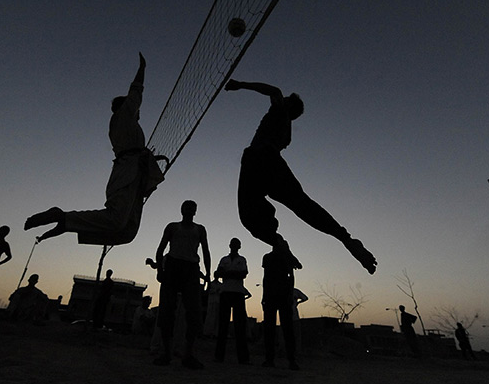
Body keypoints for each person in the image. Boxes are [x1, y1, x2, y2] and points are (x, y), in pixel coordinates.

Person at [225, 79, 376, 275]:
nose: (282, 99)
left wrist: (240, 84)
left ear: (288, 105)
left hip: (257, 161)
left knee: (249, 217)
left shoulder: (280, 111)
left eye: (287, 99)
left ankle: (276, 240)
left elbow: (274, 90)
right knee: (303, 206)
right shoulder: (287, 132)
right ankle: (345, 239)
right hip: (271, 164)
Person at [24, 53, 164, 246]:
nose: (138, 111)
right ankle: (63, 217)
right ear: (125, 107)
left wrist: (149, 161)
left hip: (135, 172)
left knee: (127, 231)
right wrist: (142, 69)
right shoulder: (123, 116)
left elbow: (134, 147)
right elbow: (136, 93)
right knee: (116, 221)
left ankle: (67, 223)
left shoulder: (127, 127)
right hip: (127, 171)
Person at [152, 200, 211, 369]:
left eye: (192, 207)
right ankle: (166, 353)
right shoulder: (172, 227)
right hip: (172, 266)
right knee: (166, 309)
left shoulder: (200, 229)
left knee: (193, 311)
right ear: (181, 209)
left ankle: (188, 354)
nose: (189, 209)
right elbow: (161, 248)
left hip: (191, 269)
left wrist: (207, 273)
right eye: (186, 206)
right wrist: (160, 270)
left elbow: (206, 251)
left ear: (195, 211)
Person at [261, 242, 299, 370]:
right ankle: (271, 359)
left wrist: (289, 294)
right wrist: (264, 295)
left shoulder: (284, 258)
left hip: (281, 295)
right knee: (272, 328)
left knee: (285, 328)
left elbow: (291, 277)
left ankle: (290, 360)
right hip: (273, 295)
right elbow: (265, 278)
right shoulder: (269, 258)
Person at [214, 237, 250, 364]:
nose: (234, 246)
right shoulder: (224, 259)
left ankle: (243, 358)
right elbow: (217, 274)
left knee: (240, 326)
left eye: (236, 244)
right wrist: (233, 273)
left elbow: (243, 274)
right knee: (223, 325)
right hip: (226, 293)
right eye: (233, 244)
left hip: (238, 293)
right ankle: (219, 356)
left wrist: (227, 273)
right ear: (230, 245)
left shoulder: (242, 260)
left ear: (239, 246)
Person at [292, 286, 309, 355]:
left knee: (296, 335)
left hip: (293, 317)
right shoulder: (295, 291)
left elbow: (305, 298)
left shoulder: (295, 291)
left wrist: (298, 303)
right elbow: (305, 298)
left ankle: (297, 351)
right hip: (290, 316)